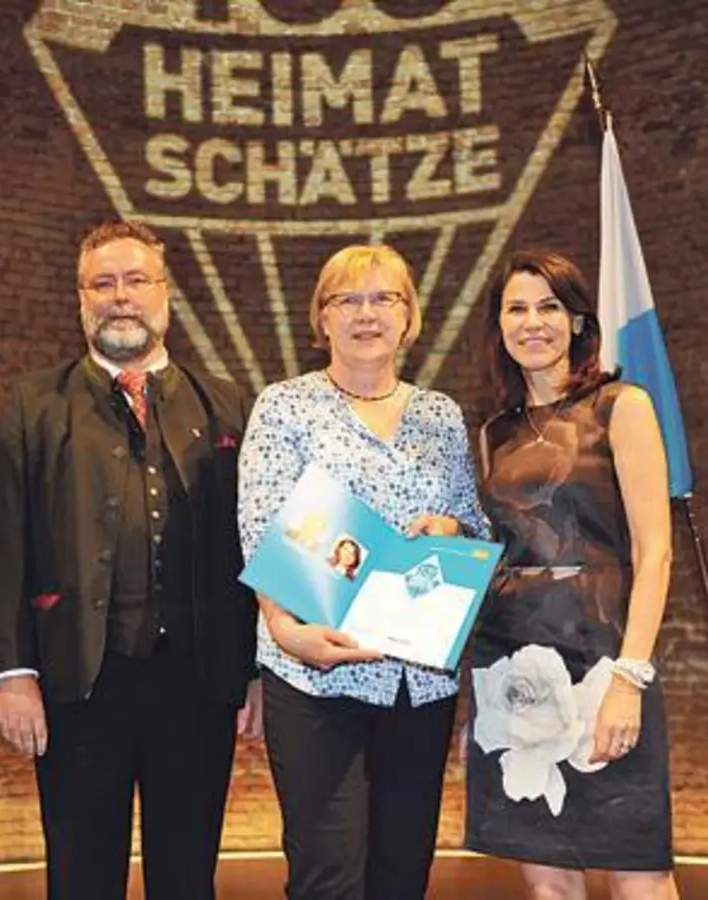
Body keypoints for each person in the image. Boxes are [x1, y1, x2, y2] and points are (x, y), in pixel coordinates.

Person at [0, 219, 263, 900]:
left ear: (165, 292)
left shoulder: (227, 404)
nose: (120, 296)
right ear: (80, 298)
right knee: (80, 877)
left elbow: (255, 545)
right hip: (79, 679)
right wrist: (11, 674)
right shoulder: (32, 405)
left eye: (136, 280)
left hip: (197, 683)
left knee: (188, 876)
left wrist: (254, 669)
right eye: (102, 283)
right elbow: (0, 547)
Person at [237, 243, 490, 900]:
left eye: (385, 298)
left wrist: (452, 531)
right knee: (329, 877)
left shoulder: (441, 416)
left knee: (403, 874)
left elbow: (474, 528)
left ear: (410, 317)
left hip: (419, 682)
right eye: (347, 299)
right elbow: (261, 529)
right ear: (321, 319)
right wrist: (284, 631)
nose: (366, 313)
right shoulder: (284, 407)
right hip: (316, 671)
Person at [461, 249, 680, 899]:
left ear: (579, 321)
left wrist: (628, 679)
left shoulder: (623, 405)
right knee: (549, 883)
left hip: (604, 664)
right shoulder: (492, 433)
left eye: (549, 307)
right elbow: (499, 547)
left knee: (641, 877)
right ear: (498, 326)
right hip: (512, 671)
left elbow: (657, 551)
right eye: (516, 308)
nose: (533, 322)